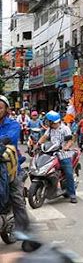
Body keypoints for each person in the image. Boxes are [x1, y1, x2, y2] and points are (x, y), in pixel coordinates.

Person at [0, 95, 30, 233]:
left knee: (17, 200)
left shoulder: (13, 125)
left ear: (6, 109)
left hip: (10, 168)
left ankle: (26, 235)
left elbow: (9, 139)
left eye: (0, 107)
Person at [38, 111, 77, 203]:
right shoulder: (50, 129)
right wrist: (37, 144)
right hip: (50, 153)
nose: (47, 123)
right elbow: (44, 137)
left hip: (63, 154)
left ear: (53, 121)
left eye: (48, 121)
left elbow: (70, 140)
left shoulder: (65, 129)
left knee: (68, 173)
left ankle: (72, 194)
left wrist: (66, 147)